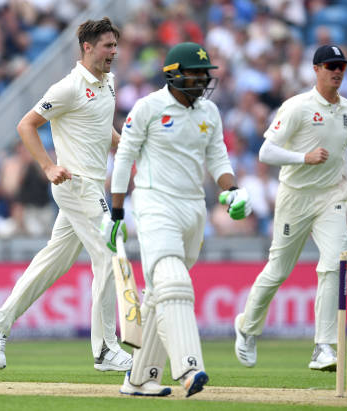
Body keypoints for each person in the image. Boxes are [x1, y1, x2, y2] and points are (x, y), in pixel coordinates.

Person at [0, 17, 133, 373]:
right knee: (110, 253)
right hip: (75, 184)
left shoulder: (108, 82)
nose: (114, 52)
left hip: (94, 185)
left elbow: (97, 122)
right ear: (87, 47)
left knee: (53, 262)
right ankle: (105, 349)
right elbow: (25, 125)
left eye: (115, 45)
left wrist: (120, 143)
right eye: (107, 46)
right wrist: (48, 167)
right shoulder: (68, 87)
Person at [102, 42, 252, 397]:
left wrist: (231, 190)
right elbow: (124, 159)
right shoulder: (149, 107)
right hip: (155, 204)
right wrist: (118, 211)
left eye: (205, 73)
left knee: (158, 294)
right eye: (194, 72)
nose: (201, 79)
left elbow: (218, 159)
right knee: (173, 282)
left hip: (193, 209)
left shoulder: (209, 112)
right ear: (173, 74)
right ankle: (189, 367)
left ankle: (139, 379)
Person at [233, 45, 347, 372]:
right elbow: (266, 152)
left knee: (335, 262)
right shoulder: (297, 107)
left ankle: (323, 346)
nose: (337, 72)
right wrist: (302, 158)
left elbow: (341, 149)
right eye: (331, 66)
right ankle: (247, 328)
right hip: (296, 196)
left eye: (341, 67)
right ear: (316, 69)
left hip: (331, 196)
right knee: (278, 269)